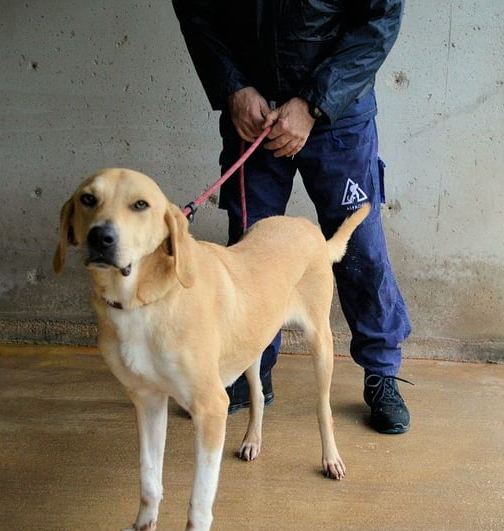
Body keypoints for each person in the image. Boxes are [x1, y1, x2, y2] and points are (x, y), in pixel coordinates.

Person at [172, 0, 412, 434]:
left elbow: (380, 16)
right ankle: (250, 369)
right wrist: (234, 88)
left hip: (339, 115)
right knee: (249, 255)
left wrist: (315, 102)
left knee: (360, 249)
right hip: (253, 114)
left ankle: (381, 371)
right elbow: (197, 11)